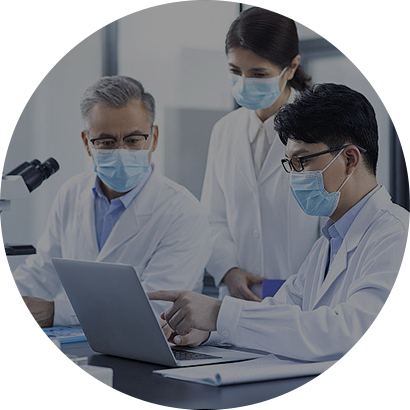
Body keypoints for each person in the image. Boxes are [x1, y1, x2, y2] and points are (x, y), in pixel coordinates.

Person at [149, 83, 410, 369]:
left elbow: (349, 335)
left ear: (349, 159)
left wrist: (219, 314)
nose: (294, 177)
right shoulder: (330, 240)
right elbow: (281, 309)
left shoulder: (398, 237)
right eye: (290, 164)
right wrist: (208, 329)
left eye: (302, 162)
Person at [0, 75, 211, 330]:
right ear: (86, 142)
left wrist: (56, 312)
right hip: (77, 343)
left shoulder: (184, 213)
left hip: (144, 348)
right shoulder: (71, 193)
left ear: (154, 138)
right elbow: (41, 274)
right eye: (107, 142)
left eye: (133, 140)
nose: (121, 151)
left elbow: (157, 306)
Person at [201, 5, 322, 302]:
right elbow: (212, 218)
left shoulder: (321, 132)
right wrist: (228, 270)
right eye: (235, 71)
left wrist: (302, 290)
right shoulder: (224, 131)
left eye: (258, 73)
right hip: (237, 299)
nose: (244, 83)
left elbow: (333, 226)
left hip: (303, 301)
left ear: (291, 67)